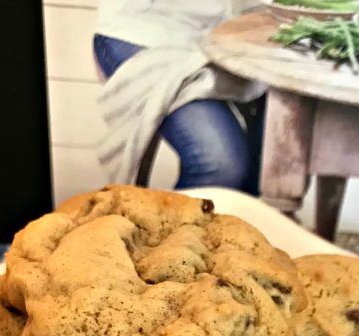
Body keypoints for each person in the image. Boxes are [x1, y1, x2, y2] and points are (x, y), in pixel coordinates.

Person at [94, 1, 264, 192]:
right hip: (144, 33)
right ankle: (187, 219)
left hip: (223, 36)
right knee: (217, 163)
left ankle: (243, 215)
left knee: (272, 148)